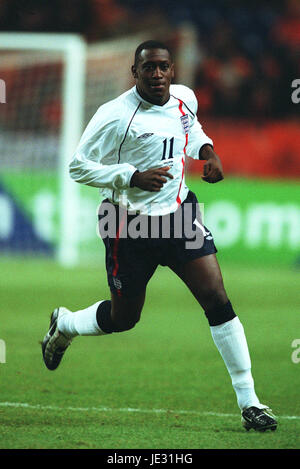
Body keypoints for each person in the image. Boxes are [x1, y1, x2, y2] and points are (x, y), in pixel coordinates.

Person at [41, 40, 277, 432]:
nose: (156, 75)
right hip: (128, 224)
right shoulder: (114, 115)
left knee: (217, 299)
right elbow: (76, 167)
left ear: (172, 71)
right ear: (135, 72)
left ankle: (250, 402)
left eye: (163, 67)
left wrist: (208, 151)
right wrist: (130, 176)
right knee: (124, 317)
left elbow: (192, 127)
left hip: (179, 215)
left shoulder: (184, 98)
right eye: (148, 68)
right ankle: (65, 324)